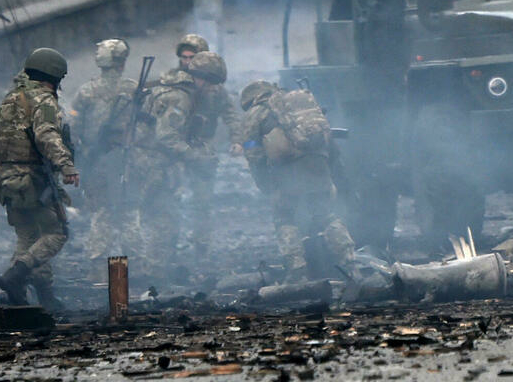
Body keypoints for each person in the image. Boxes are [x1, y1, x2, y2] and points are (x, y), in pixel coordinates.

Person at [0, 48, 79, 307]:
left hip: (4, 180)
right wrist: (66, 165)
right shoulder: (43, 100)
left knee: (29, 236)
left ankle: (31, 296)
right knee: (57, 232)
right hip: (30, 179)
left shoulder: (11, 99)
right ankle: (15, 276)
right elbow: (47, 134)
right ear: (55, 77)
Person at [238, 79, 354, 280]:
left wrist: (266, 186)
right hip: (318, 164)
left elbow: (253, 153)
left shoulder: (255, 114)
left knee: (284, 217)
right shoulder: (300, 105)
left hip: (287, 172)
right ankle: (349, 260)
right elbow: (330, 142)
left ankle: (297, 270)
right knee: (325, 214)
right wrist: (332, 172)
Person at [132, 50, 226, 283]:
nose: (214, 90)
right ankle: (153, 276)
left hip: (155, 163)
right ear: (202, 79)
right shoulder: (180, 98)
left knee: (165, 217)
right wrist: (195, 157)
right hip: (152, 164)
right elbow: (166, 136)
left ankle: (158, 271)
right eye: (213, 83)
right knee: (163, 220)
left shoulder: (180, 92)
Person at [173, 34, 244, 262]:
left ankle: (201, 248)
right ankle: (168, 246)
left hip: (203, 147)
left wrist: (237, 140)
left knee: (202, 200)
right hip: (175, 148)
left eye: (192, 57)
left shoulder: (216, 89)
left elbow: (231, 115)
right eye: (183, 57)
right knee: (170, 197)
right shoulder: (173, 84)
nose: (186, 62)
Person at [69, 38, 138, 261]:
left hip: (96, 161)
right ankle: (141, 266)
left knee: (101, 212)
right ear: (121, 62)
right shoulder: (132, 89)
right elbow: (145, 125)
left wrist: (79, 160)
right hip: (126, 159)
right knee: (129, 212)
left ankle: (97, 264)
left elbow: (73, 130)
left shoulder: (86, 91)